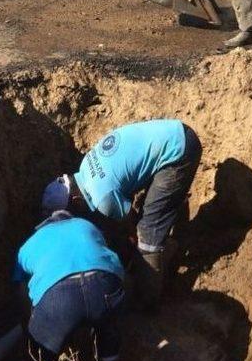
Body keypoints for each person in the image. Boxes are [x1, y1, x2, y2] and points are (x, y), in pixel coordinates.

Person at [42, 119, 202, 305]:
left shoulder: (103, 197)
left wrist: (130, 252)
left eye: (73, 215)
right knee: (150, 214)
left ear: (76, 201)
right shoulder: (86, 166)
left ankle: (149, 301)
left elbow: (131, 227)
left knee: (147, 238)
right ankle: (171, 240)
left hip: (178, 152)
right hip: (173, 132)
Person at [13, 210, 125, 361]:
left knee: (39, 356)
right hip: (105, 285)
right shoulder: (85, 224)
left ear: (44, 226)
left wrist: (31, 326)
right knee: (108, 325)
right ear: (69, 219)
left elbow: (21, 291)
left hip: (59, 299)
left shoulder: (28, 246)